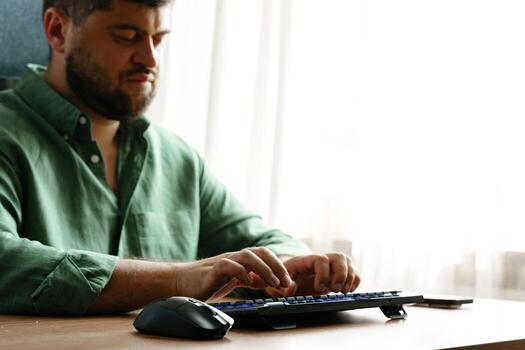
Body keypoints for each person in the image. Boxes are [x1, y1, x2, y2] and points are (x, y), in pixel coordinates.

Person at [0, 0, 360, 316]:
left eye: (158, 40)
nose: (150, 59)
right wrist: (181, 277)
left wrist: (285, 268)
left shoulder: (177, 158)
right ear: (57, 29)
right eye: (126, 36)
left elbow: (267, 242)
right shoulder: (7, 135)